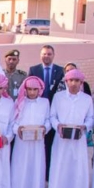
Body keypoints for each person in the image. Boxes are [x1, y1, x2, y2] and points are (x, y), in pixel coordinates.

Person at [45, 69, 93, 188]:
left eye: (77, 81)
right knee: (59, 171)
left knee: (76, 173)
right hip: (61, 141)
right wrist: (58, 126)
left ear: (81, 83)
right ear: (66, 82)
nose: (74, 84)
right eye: (71, 80)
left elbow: (90, 118)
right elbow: (52, 116)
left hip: (78, 142)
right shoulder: (58, 97)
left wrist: (84, 127)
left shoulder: (86, 99)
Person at [10, 76, 50, 188]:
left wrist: (44, 128)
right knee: (20, 173)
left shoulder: (45, 103)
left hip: (37, 143)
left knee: (36, 173)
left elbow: (48, 120)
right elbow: (13, 122)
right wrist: (18, 130)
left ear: (39, 90)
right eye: (29, 89)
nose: (32, 92)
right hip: (21, 144)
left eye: (35, 89)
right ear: (24, 90)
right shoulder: (19, 102)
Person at [29, 44, 65, 177]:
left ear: (53, 55)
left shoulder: (60, 71)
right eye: (44, 54)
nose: (47, 56)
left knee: (49, 143)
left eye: (49, 54)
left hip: (54, 110)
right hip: (39, 110)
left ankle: (48, 173)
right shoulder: (34, 69)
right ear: (40, 55)